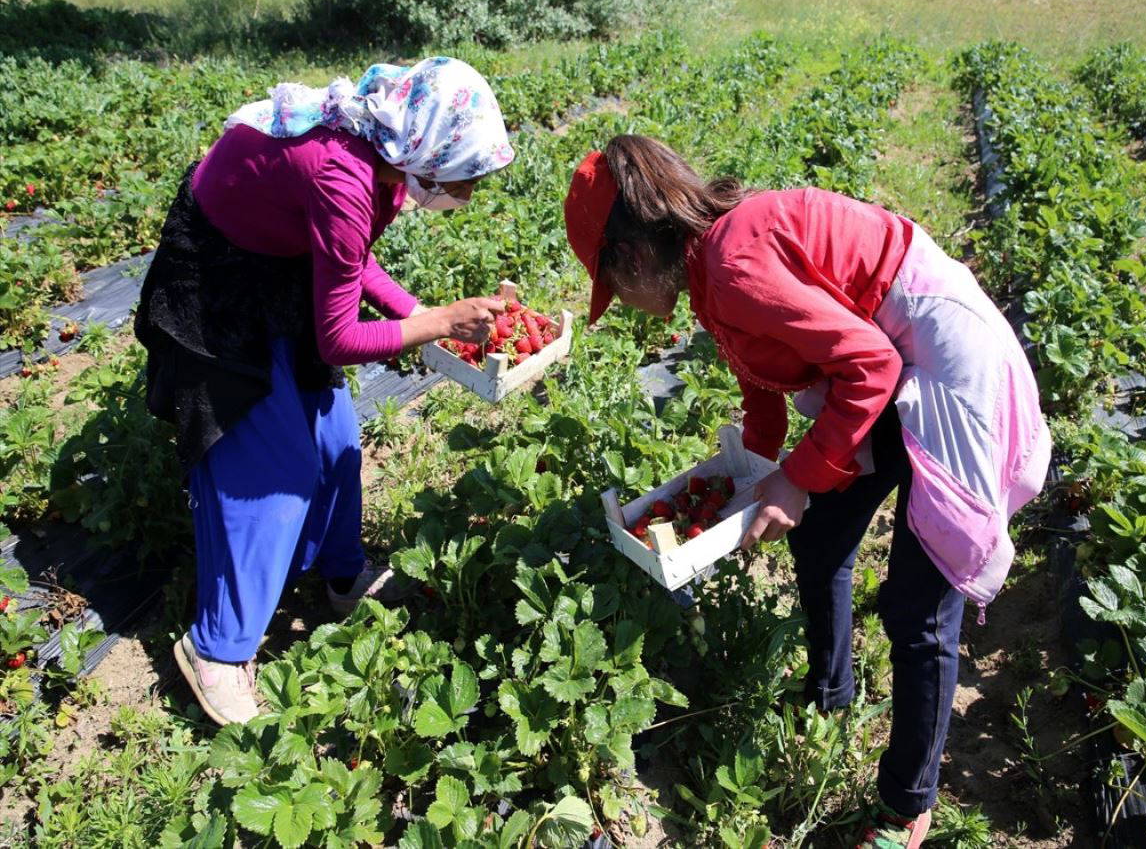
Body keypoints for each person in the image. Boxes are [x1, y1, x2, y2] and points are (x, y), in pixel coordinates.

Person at [563, 135, 1050, 848]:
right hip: (887, 355)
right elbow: (761, 384)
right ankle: (829, 696)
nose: (627, 306)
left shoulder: (731, 265)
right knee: (821, 539)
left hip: (944, 362)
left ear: (633, 255)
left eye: (614, 288)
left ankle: (905, 807)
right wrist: (737, 487)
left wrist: (794, 479)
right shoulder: (710, 271)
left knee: (917, 606)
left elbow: (870, 365)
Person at [135, 57, 513, 726]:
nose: (469, 194)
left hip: (281, 254)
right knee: (269, 469)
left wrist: (423, 318)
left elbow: (352, 255)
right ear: (429, 150)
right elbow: (340, 339)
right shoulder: (346, 172)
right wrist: (432, 323)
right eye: (465, 179)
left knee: (336, 437)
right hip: (222, 268)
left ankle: (342, 576)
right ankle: (217, 649)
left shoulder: (387, 155)